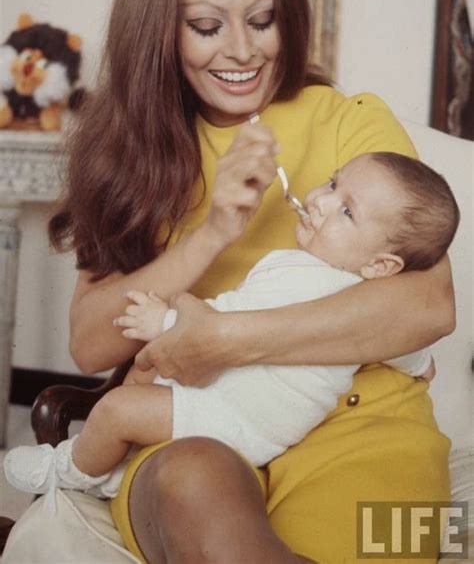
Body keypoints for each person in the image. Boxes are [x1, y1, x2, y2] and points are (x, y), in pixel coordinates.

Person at [24, 0, 455, 564]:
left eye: (262, 19)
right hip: (194, 429)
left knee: (390, 543)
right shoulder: (126, 154)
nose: (241, 51)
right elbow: (89, 344)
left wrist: (224, 338)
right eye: (206, 25)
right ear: (159, 26)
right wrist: (213, 231)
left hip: (363, 424)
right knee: (196, 482)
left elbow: (429, 302)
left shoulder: (351, 121)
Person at [4, 150, 459, 497]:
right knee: (142, 373)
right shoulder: (336, 286)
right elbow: (404, 347)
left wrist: (162, 320)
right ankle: (115, 471)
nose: (320, 200)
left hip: (239, 422)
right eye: (333, 183)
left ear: (381, 265)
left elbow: (223, 321)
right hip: (227, 402)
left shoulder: (320, 286)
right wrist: (422, 364)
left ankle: (70, 473)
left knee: (114, 409)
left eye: (346, 211)